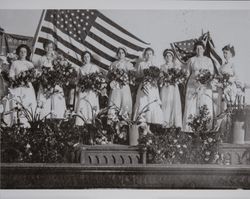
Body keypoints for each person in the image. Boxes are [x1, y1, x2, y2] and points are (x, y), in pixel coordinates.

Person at [182, 41, 214, 132]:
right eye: (197, 48)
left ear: (204, 49)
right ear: (195, 50)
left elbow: (211, 73)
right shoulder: (191, 60)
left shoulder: (208, 60)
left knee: (204, 104)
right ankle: (190, 129)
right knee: (191, 105)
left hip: (205, 85)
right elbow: (187, 73)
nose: (199, 50)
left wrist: (205, 81)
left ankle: (205, 128)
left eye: (200, 48)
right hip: (192, 85)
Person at [7, 44, 37, 126]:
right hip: (17, 87)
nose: (23, 53)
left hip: (27, 88)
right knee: (17, 104)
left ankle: (27, 124)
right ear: (18, 53)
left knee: (27, 104)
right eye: (21, 51)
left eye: (24, 51)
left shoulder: (30, 64)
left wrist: (27, 80)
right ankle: (15, 123)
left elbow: (33, 78)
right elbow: (11, 75)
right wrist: (17, 80)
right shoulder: (15, 63)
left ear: (27, 53)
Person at [37, 41, 67, 119]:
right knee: (45, 101)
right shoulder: (41, 59)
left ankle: (57, 119)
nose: (49, 48)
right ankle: (44, 118)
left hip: (55, 83)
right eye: (47, 46)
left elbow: (61, 70)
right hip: (45, 83)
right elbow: (39, 71)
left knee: (57, 99)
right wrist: (44, 79)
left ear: (53, 48)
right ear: (44, 48)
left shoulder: (57, 58)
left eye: (51, 47)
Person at [133, 47, 163, 124]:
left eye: (150, 54)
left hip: (153, 87)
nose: (148, 55)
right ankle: (142, 123)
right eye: (147, 54)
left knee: (151, 102)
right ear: (144, 55)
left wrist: (153, 79)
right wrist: (144, 79)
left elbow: (158, 77)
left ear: (153, 55)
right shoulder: (141, 64)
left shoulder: (156, 65)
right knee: (143, 102)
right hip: (143, 86)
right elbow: (138, 76)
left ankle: (149, 125)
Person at [108, 47, 135, 118]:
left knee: (125, 101)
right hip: (115, 85)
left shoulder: (128, 64)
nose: (121, 54)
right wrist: (114, 77)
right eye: (119, 53)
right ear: (117, 54)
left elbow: (132, 75)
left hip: (124, 85)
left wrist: (125, 77)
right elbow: (109, 75)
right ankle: (113, 119)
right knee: (115, 101)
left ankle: (125, 120)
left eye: (122, 53)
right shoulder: (113, 64)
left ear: (125, 54)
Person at [75, 51, 100, 125]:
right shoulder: (80, 68)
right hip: (83, 90)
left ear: (90, 58)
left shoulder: (94, 67)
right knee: (83, 104)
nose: (86, 58)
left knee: (91, 105)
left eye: (88, 56)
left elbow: (98, 79)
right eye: (84, 57)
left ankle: (92, 122)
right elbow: (78, 80)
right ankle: (81, 122)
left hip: (92, 90)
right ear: (83, 58)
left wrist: (93, 84)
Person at [160, 49, 182, 128]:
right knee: (165, 104)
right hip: (165, 87)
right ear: (164, 57)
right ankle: (165, 124)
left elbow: (179, 78)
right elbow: (161, 77)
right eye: (166, 56)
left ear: (172, 57)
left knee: (174, 103)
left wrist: (174, 79)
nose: (168, 57)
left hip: (173, 87)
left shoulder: (176, 66)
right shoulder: (162, 66)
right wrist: (164, 79)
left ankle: (175, 124)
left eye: (170, 56)